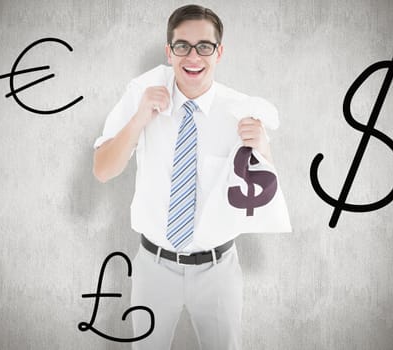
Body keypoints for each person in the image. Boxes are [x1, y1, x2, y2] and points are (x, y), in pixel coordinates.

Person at [92, 4, 274, 349]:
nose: (193, 56)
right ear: (169, 51)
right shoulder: (141, 95)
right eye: (182, 46)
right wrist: (140, 118)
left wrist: (264, 147)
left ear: (219, 52)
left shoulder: (240, 110)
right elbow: (103, 170)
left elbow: (265, 192)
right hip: (154, 267)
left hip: (218, 269)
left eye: (204, 46)